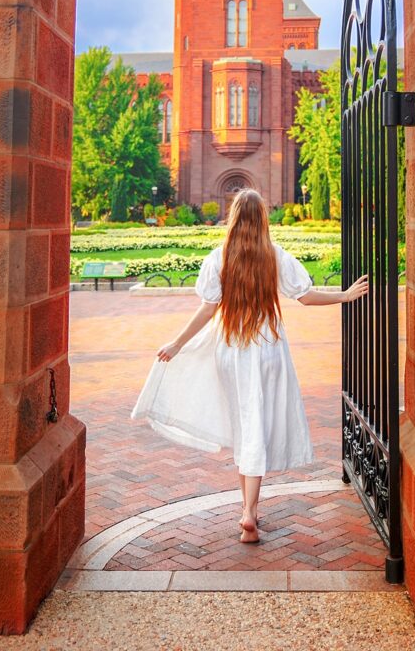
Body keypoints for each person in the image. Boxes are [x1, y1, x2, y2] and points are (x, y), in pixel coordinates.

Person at [131, 188, 368, 544]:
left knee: (246, 426)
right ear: (262, 219)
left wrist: (177, 343)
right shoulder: (275, 256)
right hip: (268, 350)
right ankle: (249, 512)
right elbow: (304, 296)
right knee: (254, 425)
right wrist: (344, 295)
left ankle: (249, 510)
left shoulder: (219, 258)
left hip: (231, 350)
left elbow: (208, 308)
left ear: (234, 218)